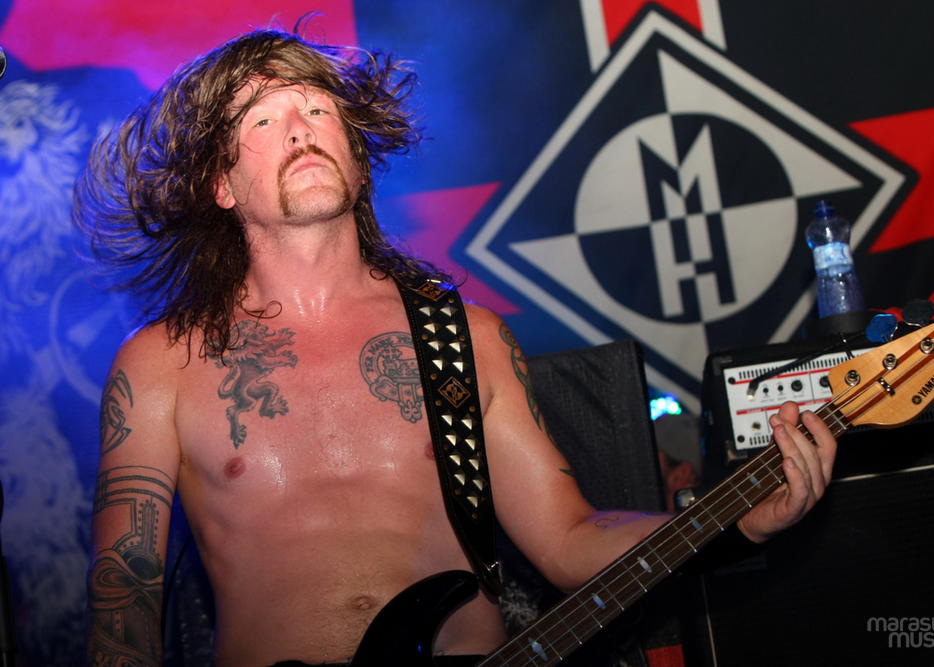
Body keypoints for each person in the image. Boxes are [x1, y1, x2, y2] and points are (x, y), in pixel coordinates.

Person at [76, 27, 837, 667]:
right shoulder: (160, 365)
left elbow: (570, 540)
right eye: (263, 120)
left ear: (357, 154)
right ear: (221, 184)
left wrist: (734, 520)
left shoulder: (463, 337)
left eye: (316, 108)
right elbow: (124, 605)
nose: (300, 128)